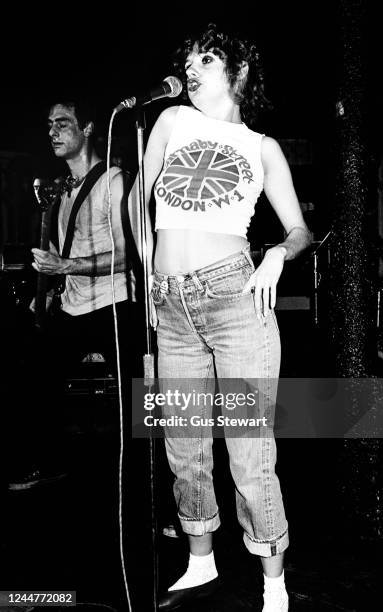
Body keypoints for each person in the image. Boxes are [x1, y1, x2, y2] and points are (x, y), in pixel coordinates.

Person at [135, 23, 312, 611]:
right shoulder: (170, 122)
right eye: (187, 57)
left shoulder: (262, 146)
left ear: (236, 72)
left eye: (205, 58)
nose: (191, 66)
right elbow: (141, 199)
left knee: (248, 448)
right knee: (183, 445)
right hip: (172, 303)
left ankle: (273, 582)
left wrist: (277, 255)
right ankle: (201, 561)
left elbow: (300, 230)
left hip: (236, 300)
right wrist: (151, 279)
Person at [9, 97, 141, 490]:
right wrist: (49, 286)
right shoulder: (62, 191)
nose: (52, 131)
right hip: (74, 304)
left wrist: (66, 266)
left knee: (138, 399)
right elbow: (70, 252)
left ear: (87, 129)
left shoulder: (114, 181)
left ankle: (151, 484)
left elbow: (128, 256)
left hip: (114, 304)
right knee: (32, 371)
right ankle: (50, 460)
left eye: (62, 123)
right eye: (49, 124)